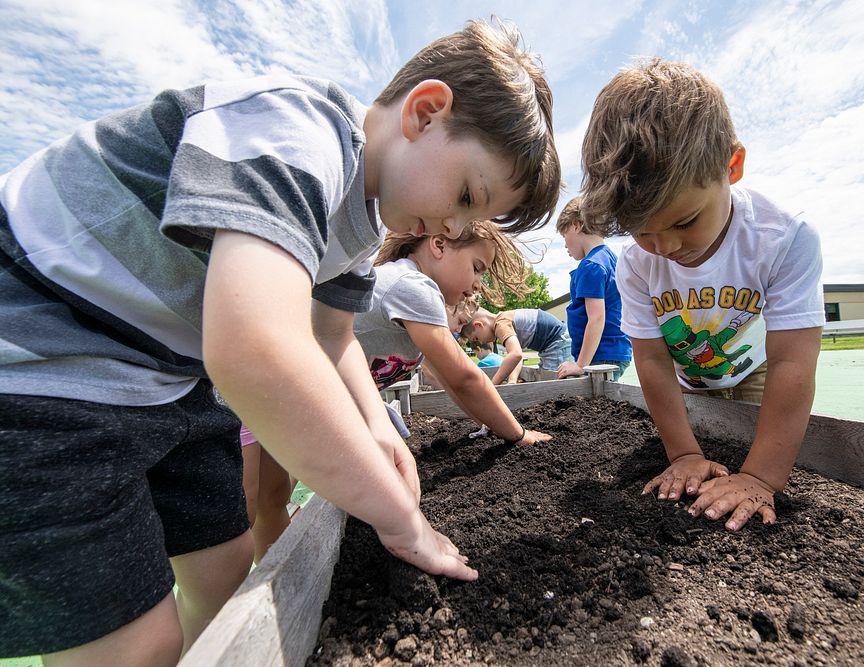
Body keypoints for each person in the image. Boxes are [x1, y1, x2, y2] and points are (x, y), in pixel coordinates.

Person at [0, 18, 560, 666]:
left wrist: (377, 431)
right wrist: (400, 519)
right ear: (426, 112)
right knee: (137, 646)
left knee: (225, 575)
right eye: (465, 195)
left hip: (167, 377)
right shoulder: (298, 132)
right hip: (44, 360)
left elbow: (332, 334)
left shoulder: (359, 225)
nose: (453, 226)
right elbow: (254, 348)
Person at [580, 59, 824, 532]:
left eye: (685, 221)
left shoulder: (784, 238)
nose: (665, 247)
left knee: (755, 437)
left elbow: (793, 362)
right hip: (689, 380)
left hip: (758, 371)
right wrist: (684, 454)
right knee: (708, 431)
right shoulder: (634, 263)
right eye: (642, 231)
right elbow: (652, 360)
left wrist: (760, 477)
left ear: (731, 167)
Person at [355, 222, 551, 446]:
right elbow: (464, 379)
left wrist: (488, 425)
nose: (478, 286)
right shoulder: (413, 286)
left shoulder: (411, 292)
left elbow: (448, 380)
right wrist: (520, 436)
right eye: (476, 268)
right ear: (439, 245)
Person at [554, 196, 632, 381]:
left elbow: (596, 318)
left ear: (576, 225)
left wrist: (580, 364)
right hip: (614, 350)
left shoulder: (591, 265)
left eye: (564, 235)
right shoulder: (611, 259)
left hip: (601, 355)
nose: (565, 244)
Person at [460, 307, 572, 384]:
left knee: (554, 383)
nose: (481, 342)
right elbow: (517, 358)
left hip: (557, 341)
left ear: (479, 325)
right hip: (550, 344)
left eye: (476, 338)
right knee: (545, 379)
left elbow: (515, 354)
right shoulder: (503, 320)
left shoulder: (501, 325)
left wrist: (493, 384)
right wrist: (512, 381)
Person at [239, 425, 298, 564]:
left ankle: (284, 570)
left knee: (273, 497)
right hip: (218, 419)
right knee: (242, 516)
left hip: (256, 415)